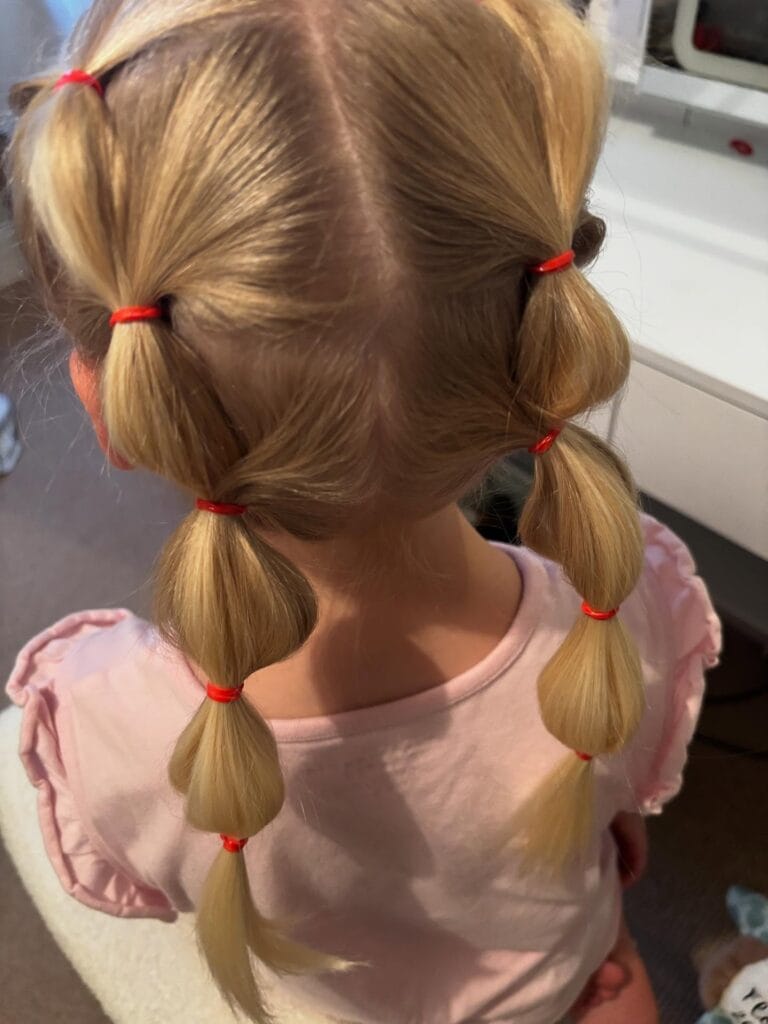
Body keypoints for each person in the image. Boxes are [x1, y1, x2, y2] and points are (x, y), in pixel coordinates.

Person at [4, 1, 722, 1022]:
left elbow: (156, 888)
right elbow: (618, 804)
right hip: (576, 978)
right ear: (532, 362)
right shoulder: (627, 604)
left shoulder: (104, 724)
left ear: (116, 405)